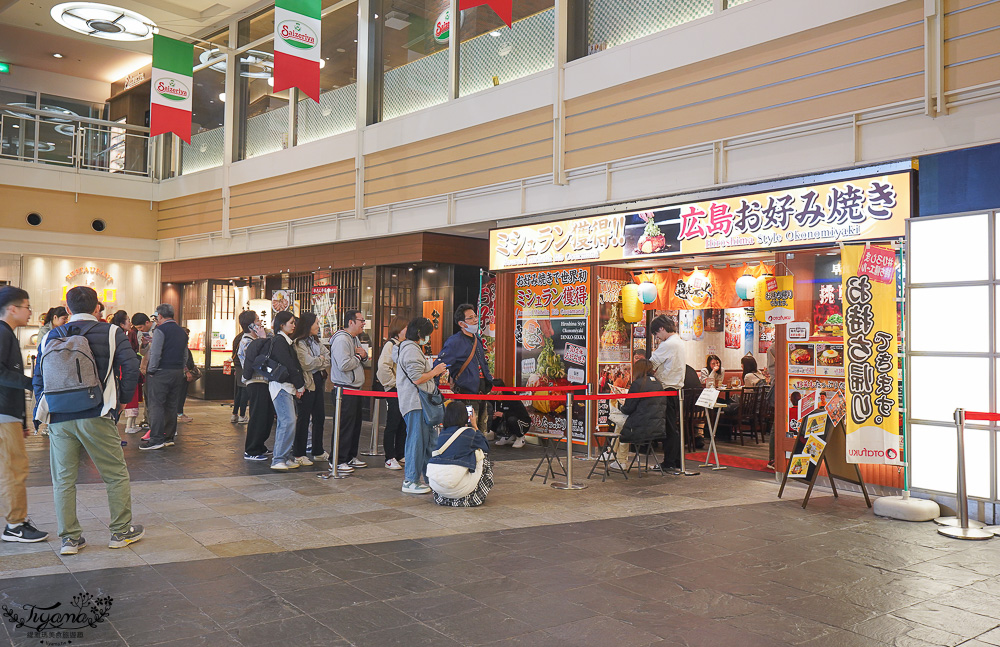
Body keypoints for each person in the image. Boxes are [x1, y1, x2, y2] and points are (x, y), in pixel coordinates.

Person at [33, 286, 142, 555]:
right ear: (97, 308)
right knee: (115, 475)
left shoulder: (50, 336)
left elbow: (38, 379)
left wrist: (46, 407)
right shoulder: (113, 332)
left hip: (59, 417)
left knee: (63, 480)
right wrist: (119, 404)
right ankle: (120, 532)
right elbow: (131, 368)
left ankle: (69, 538)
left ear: (67, 309)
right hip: (97, 412)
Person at [0, 287, 48, 544]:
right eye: (27, 306)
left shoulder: (6, 333)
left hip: (9, 415)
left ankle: (15, 521)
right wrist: (33, 384)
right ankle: (15, 525)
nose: (31, 311)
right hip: (3, 414)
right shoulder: (2, 333)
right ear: (13, 309)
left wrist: (22, 420)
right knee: (13, 470)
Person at [394, 317, 447, 494]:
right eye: (427, 334)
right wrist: (435, 371)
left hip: (418, 403)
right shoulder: (411, 350)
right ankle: (411, 480)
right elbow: (417, 378)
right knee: (416, 441)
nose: (428, 338)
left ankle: (428, 477)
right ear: (420, 334)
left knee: (427, 442)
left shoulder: (406, 348)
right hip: (416, 403)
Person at [438, 304, 493, 435]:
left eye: (475, 316)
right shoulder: (454, 341)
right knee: (468, 430)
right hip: (466, 393)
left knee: (481, 430)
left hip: (481, 392)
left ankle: (481, 454)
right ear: (461, 323)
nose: (475, 320)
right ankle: (469, 455)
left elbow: (483, 363)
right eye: (470, 318)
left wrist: (489, 380)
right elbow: (441, 363)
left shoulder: (476, 339)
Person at [427, 401, 493, 507]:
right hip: (461, 488)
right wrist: (475, 426)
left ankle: (447, 497)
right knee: (483, 457)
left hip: (438, 486)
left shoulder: (443, 433)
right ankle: (472, 496)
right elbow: (486, 446)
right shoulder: (469, 433)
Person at [140, 304, 187, 450]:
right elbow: (185, 353)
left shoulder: (161, 330)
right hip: (177, 372)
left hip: (161, 372)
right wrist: (182, 368)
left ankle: (156, 439)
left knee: (156, 405)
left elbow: (156, 353)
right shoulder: (182, 331)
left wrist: (152, 370)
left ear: (160, 316)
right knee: (172, 405)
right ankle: (169, 437)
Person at [329, 309, 368, 474]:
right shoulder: (341, 339)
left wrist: (363, 355)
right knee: (344, 426)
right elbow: (344, 364)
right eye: (361, 320)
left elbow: (362, 356)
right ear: (351, 322)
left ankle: (351, 456)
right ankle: (338, 460)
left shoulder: (355, 338)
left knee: (355, 425)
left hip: (356, 389)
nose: (363, 323)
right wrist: (359, 357)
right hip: (345, 389)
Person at [267, 311, 305, 471]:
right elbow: (290, 365)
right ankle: (278, 459)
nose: (294, 325)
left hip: (285, 387)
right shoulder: (280, 341)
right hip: (280, 387)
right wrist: (300, 384)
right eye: (291, 322)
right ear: (282, 324)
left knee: (289, 421)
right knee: (288, 421)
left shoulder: (285, 341)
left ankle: (284, 456)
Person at [293, 312, 331, 465]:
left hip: (318, 379)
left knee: (319, 416)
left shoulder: (315, 341)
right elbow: (306, 364)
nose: (318, 325)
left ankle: (318, 450)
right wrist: (319, 360)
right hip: (307, 382)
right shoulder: (299, 342)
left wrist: (319, 360)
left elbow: (327, 357)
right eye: (316, 322)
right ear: (307, 325)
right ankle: (299, 453)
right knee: (303, 418)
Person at [617, 359, 667, 470]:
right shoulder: (658, 384)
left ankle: (620, 459)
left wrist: (620, 405)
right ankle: (614, 455)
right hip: (657, 426)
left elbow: (628, 409)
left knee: (619, 424)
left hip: (640, 426)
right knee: (621, 424)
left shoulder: (638, 384)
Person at [649, 315, 684, 474]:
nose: (657, 337)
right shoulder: (679, 341)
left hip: (667, 388)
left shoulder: (668, 344)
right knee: (673, 427)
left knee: (669, 428)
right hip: (676, 389)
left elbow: (652, 363)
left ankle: (669, 462)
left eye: (656, 333)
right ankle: (676, 460)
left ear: (662, 328)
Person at [239, 312, 274, 461]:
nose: (260, 323)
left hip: (266, 381)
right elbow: (258, 360)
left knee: (266, 416)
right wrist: (262, 339)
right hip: (255, 382)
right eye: (257, 321)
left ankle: (260, 445)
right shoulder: (246, 341)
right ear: (250, 325)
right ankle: (251, 449)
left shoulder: (259, 337)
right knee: (258, 416)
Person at [376, 316, 409, 470]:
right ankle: (389, 457)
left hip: (403, 390)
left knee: (403, 422)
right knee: (393, 422)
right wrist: (393, 384)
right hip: (394, 389)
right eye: (405, 327)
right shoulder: (390, 345)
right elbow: (383, 367)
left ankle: (400, 453)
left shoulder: (404, 345)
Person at [127, 313, 153, 434]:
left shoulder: (158, 331)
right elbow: (142, 353)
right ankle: (147, 420)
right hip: (146, 368)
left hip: (156, 368)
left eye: (140, 328)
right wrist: (144, 344)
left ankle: (153, 422)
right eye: (138, 329)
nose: (140, 331)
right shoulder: (140, 334)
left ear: (147, 323)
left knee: (153, 397)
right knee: (147, 395)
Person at [489, 378, 529, 448]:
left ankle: (520, 437)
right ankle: (507, 436)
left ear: (499, 389)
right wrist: (494, 415)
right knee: (489, 419)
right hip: (505, 422)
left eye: (492, 388)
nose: (490, 390)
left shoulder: (511, 397)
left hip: (522, 422)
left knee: (512, 419)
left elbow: (520, 414)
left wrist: (503, 414)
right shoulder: (492, 399)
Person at [231, 318, 249, 424]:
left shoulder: (238, 337)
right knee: (244, 391)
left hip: (238, 366)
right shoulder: (245, 338)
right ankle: (242, 415)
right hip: (242, 366)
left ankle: (234, 414)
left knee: (240, 391)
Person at [176, 328, 196, 424]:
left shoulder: (183, 345)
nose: (187, 336)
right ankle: (179, 413)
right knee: (180, 394)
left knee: (182, 394)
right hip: (181, 374)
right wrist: (187, 372)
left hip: (182, 374)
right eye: (186, 333)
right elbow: (182, 360)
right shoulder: (180, 346)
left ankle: (179, 413)